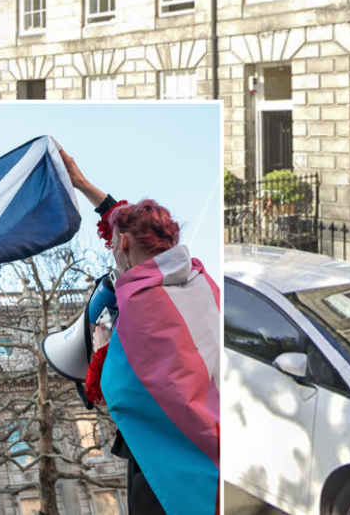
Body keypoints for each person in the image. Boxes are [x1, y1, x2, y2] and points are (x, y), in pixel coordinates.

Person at [60, 151, 221, 515]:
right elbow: (128, 220)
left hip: (164, 462)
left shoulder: (140, 303)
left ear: (124, 245)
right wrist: (83, 184)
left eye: (115, 243)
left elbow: (114, 391)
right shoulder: (196, 275)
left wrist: (102, 350)